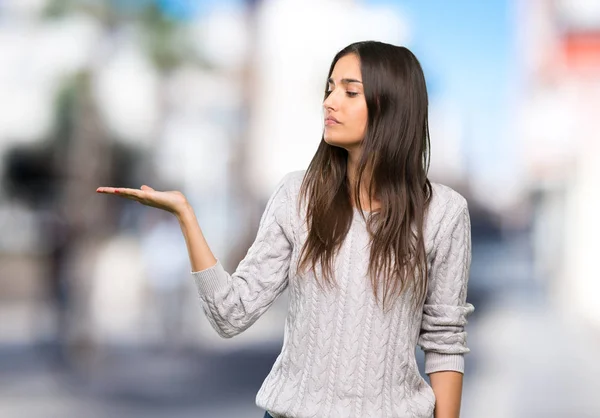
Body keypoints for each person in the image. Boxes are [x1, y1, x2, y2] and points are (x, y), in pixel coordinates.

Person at [96, 40, 474, 418]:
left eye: (349, 91)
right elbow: (231, 313)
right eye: (329, 89)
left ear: (391, 104)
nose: (329, 101)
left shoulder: (444, 213)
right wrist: (186, 217)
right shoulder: (299, 196)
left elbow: (445, 343)